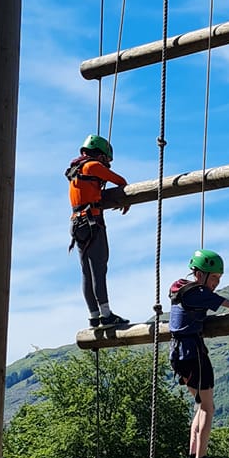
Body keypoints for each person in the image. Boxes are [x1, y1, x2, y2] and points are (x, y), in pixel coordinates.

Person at [169, 248, 229, 458]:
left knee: (200, 405)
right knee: (208, 408)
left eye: (218, 280)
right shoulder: (200, 293)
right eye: (213, 278)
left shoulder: (180, 289)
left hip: (179, 354)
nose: (215, 284)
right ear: (200, 274)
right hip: (194, 353)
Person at [66, 134, 132, 330]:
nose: (108, 164)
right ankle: (106, 314)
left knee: (87, 272)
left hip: (78, 224)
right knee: (99, 269)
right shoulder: (92, 166)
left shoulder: (76, 169)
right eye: (107, 160)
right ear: (101, 155)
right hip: (93, 222)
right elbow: (120, 180)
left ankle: (94, 316)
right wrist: (125, 199)